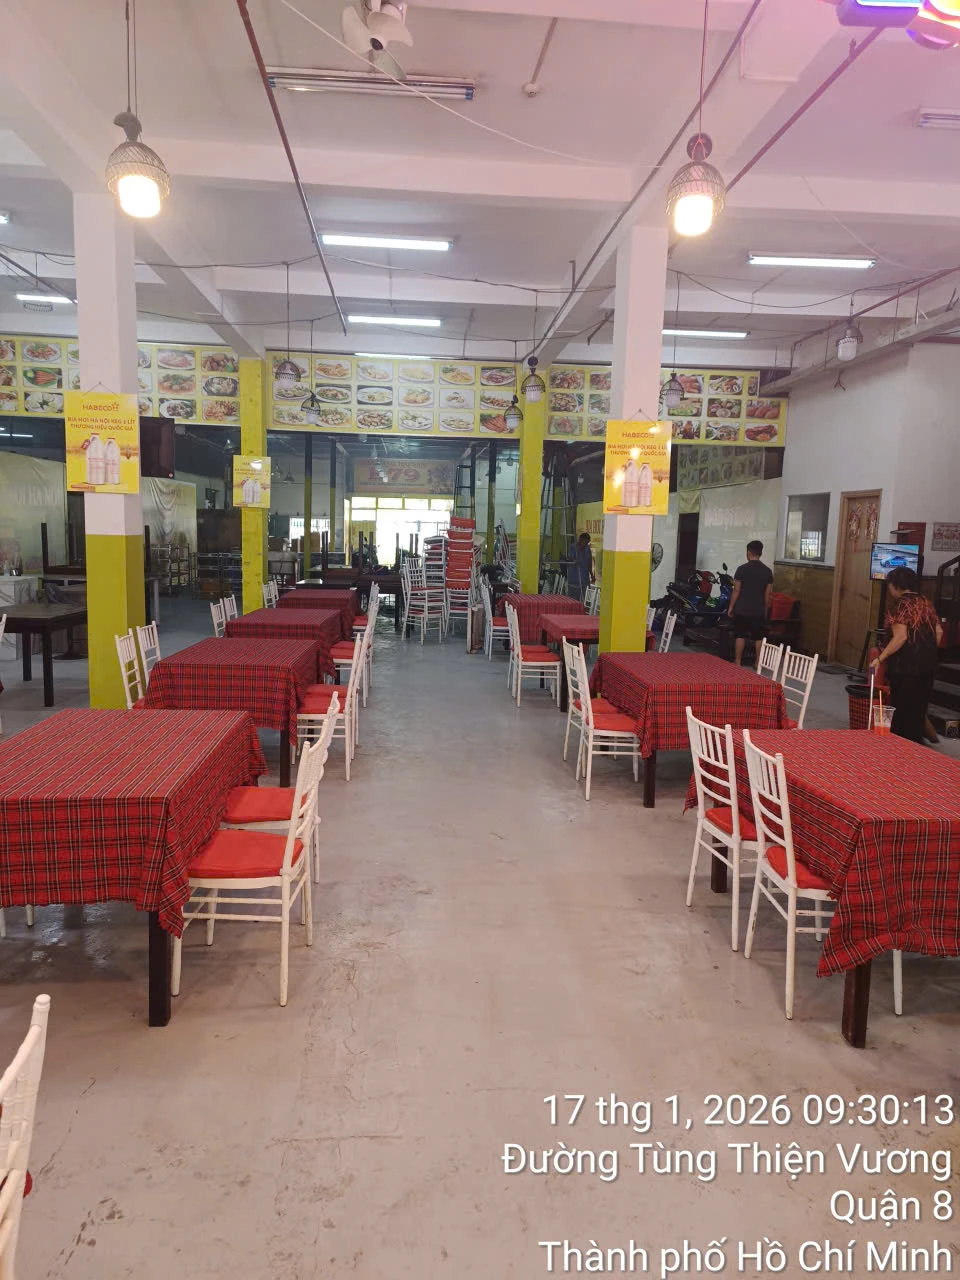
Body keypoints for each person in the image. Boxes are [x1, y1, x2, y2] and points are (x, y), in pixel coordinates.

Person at [871, 567, 942, 744]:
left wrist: (880, 658)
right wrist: (927, 650)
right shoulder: (926, 602)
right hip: (928, 664)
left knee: (902, 710)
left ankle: (902, 747)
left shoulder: (899, 605)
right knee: (919, 708)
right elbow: (939, 632)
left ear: (895, 586)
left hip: (906, 665)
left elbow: (900, 637)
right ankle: (916, 744)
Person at [727, 539, 774, 666]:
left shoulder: (741, 569)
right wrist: (765, 611)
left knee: (740, 635)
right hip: (758, 610)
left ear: (748, 552)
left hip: (742, 609)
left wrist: (731, 607)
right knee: (759, 637)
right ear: (761, 553)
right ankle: (758, 662)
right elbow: (767, 595)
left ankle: (737, 661)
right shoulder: (767, 571)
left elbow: (736, 590)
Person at [565, 532, 595, 601]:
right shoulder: (572, 547)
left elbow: (589, 563)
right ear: (580, 540)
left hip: (584, 579)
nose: (586, 544)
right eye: (586, 542)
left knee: (584, 599)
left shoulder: (587, 549)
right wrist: (578, 551)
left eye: (588, 542)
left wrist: (592, 575)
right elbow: (570, 561)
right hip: (574, 579)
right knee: (573, 600)